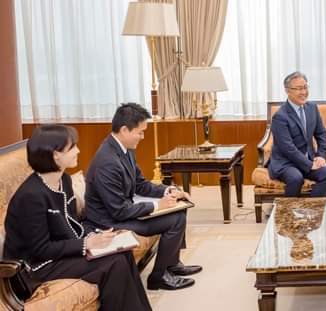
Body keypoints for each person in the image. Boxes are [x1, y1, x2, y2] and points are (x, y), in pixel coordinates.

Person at [3, 125, 152, 311]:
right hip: (35, 267)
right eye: (72, 147)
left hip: (58, 254)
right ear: (55, 155)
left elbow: (71, 224)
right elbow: (40, 250)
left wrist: (94, 237)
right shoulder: (31, 196)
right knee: (114, 264)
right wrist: (85, 244)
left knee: (123, 253)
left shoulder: (64, 180)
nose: (78, 151)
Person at [84, 103, 201, 291]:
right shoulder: (107, 161)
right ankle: (158, 278)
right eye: (140, 132)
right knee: (175, 219)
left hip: (122, 211)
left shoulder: (125, 149)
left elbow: (140, 184)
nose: (143, 137)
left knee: (179, 207)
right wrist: (157, 206)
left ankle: (171, 265)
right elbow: (119, 211)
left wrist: (168, 191)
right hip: (108, 221)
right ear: (124, 130)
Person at [268, 71, 326, 197]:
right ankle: (288, 210)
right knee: (296, 178)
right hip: (286, 163)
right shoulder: (280, 116)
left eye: (305, 87)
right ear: (288, 91)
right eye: (299, 88)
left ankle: (312, 207)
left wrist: (321, 156)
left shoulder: (312, 108)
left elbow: (321, 134)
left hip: (309, 159)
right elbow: (287, 148)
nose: (304, 92)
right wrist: (310, 165)